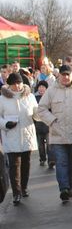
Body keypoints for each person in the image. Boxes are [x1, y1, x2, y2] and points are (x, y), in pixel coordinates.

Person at [37, 64, 72, 202]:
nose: (65, 77)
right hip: (57, 135)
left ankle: (70, 186)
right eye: (63, 75)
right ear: (59, 76)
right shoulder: (51, 91)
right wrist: (52, 120)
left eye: (68, 74)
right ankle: (63, 188)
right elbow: (41, 109)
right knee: (61, 163)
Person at [0, 73, 39, 205]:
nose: (17, 86)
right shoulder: (2, 99)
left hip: (27, 134)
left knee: (26, 164)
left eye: (19, 83)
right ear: (9, 85)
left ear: (23, 83)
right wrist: (5, 124)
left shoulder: (30, 96)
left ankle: (24, 187)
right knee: (14, 165)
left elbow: (36, 113)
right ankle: (16, 193)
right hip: (11, 135)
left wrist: (39, 115)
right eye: (14, 83)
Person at [34, 80, 54, 168]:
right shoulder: (34, 98)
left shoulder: (50, 98)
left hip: (47, 125)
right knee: (40, 145)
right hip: (38, 125)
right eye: (40, 87)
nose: (41, 89)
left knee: (49, 144)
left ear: (46, 89)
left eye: (43, 87)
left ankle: (51, 161)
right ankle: (42, 158)